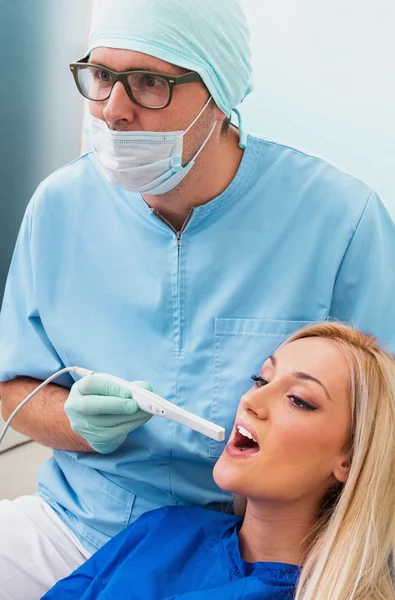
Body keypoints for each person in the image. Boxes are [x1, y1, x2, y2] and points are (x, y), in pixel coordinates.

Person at [0, 0, 394, 597]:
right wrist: (81, 426)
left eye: (151, 83)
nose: (113, 111)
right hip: (78, 526)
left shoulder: (342, 222)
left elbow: (380, 432)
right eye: (101, 76)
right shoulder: (59, 206)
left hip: (256, 551)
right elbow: (13, 388)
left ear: (220, 95)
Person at [42, 322, 395, 599]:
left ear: (349, 460)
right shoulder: (164, 528)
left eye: (299, 400)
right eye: (261, 380)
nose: (250, 401)